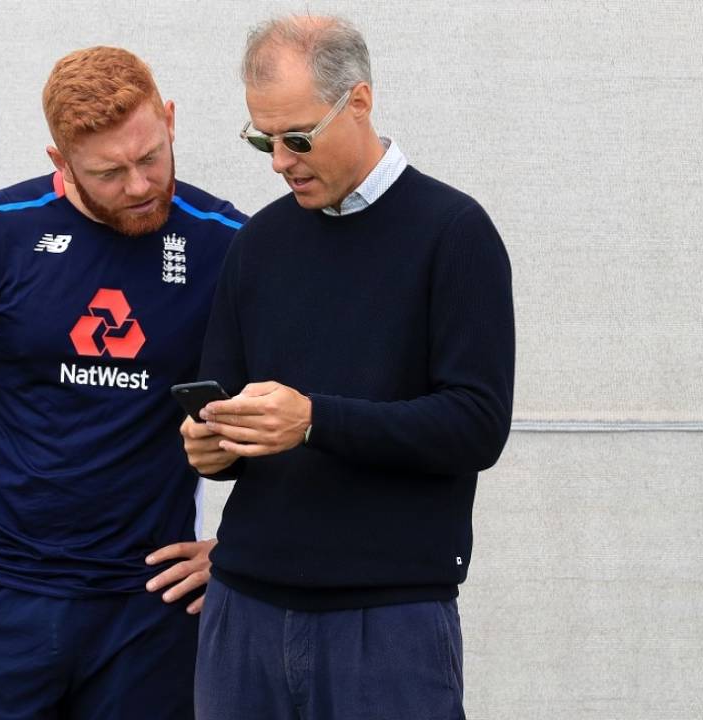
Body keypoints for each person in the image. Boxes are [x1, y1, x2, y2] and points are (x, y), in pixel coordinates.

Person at [0, 46, 246, 719]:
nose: (139, 184)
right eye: (108, 171)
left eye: (150, 156)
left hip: (150, 614)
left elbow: (299, 410)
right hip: (1, 597)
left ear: (170, 120)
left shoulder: (226, 243)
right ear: (59, 162)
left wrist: (244, 550)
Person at [181, 15, 514, 720]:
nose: (279, 160)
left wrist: (314, 421)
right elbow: (233, 414)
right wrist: (212, 448)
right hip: (244, 610)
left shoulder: (454, 233)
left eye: (297, 137)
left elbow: (476, 425)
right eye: (261, 139)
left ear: (358, 102)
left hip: (388, 622)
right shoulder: (260, 241)